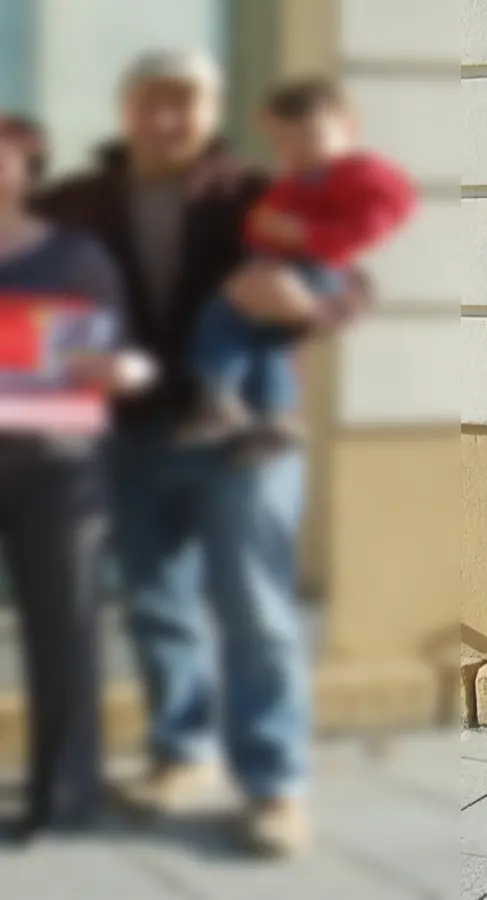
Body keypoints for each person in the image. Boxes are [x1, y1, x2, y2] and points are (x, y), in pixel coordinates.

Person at [34, 48, 369, 856]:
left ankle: (274, 783)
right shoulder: (77, 201)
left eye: (185, 102)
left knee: (255, 610)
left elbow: (347, 286)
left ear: (212, 111)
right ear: (127, 110)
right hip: (125, 434)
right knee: (155, 603)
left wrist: (306, 304)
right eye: (153, 101)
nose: (168, 118)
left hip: (245, 435)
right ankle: (182, 753)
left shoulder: (258, 193)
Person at [0, 114, 150, 843]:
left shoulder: (76, 256)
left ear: (27, 168)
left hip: (58, 468)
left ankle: (65, 793)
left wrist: (114, 371)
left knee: (63, 630)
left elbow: (126, 359)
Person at [179, 77, 414, 455]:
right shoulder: (300, 178)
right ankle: (271, 415)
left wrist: (304, 235)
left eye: (309, 136)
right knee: (266, 340)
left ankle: (220, 399)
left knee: (223, 321)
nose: (297, 151)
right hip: (277, 267)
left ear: (349, 128)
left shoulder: (360, 175)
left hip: (311, 269)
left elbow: (373, 223)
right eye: (283, 142)